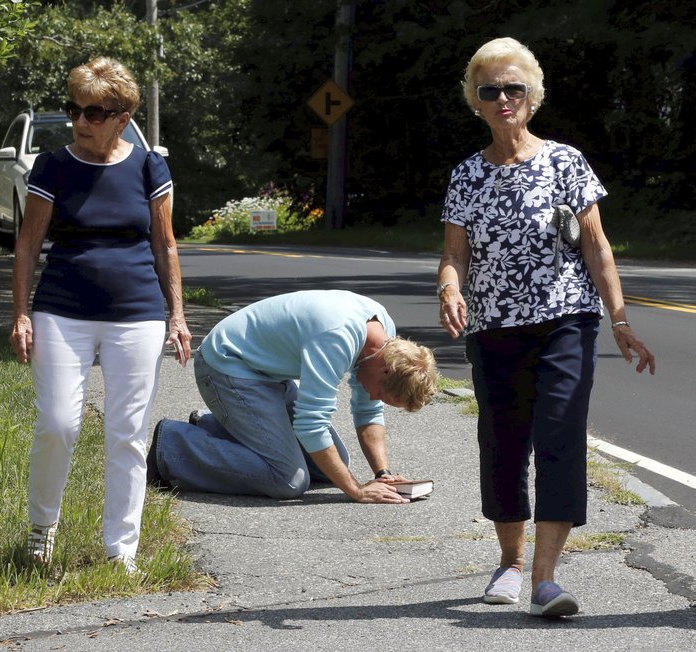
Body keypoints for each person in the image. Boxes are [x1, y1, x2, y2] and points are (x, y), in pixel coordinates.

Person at [437, 37, 656, 618]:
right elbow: (454, 254)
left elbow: (596, 245)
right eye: (491, 91)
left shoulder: (566, 161)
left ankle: (545, 578)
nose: (504, 98)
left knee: (559, 431)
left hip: (567, 320)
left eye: (515, 88)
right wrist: (450, 287)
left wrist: (620, 318)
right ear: (477, 102)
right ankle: (508, 562)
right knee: (503, 441)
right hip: (493, 327)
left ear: (533, 98)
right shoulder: (466, 176)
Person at [10, 57, 192, 576]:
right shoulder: (52, 167)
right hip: (62, 310)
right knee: (58, 423)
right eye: (74, 108)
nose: (81, 121)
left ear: (121, 116)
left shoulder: (148, 167)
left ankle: (122, 552)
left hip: (136, 314)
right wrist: (20, 313)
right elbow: (27, 246)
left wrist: (176, 315)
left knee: (127, 432)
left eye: (94, 111)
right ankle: (41, 533)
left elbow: (166, 245)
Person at [147, 290, 438, 503]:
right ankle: (173, 443)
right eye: (381, 393)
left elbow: (368, 413)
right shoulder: (337, 337)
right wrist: (356, 491)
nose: (373, 396)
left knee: (327, 467)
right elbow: (311, 425)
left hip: (266, 375)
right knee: (288, 480)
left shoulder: (385, 338)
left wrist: (382, 473)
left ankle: (214, 426)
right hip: (226, 366)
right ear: (386, 371)